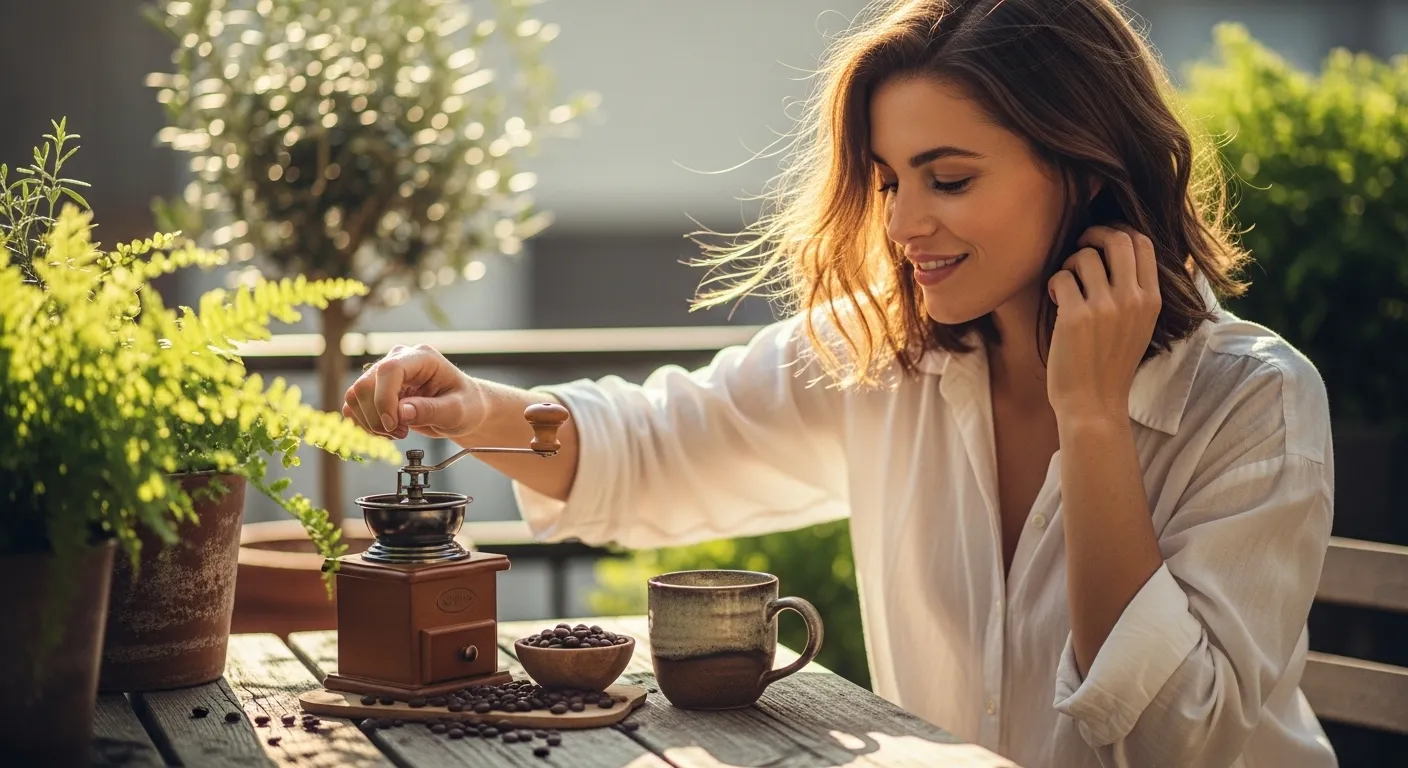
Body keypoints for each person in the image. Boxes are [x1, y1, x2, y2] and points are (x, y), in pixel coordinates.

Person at [342, 1, 1336, 765]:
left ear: (1083, 169)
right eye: (889, 181)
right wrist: (476, 411)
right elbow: (658, 446)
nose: (902, 227)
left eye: (948, 180)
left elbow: (1178, 746)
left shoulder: (1251, 403)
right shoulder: (887, 359)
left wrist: (1091, 420)